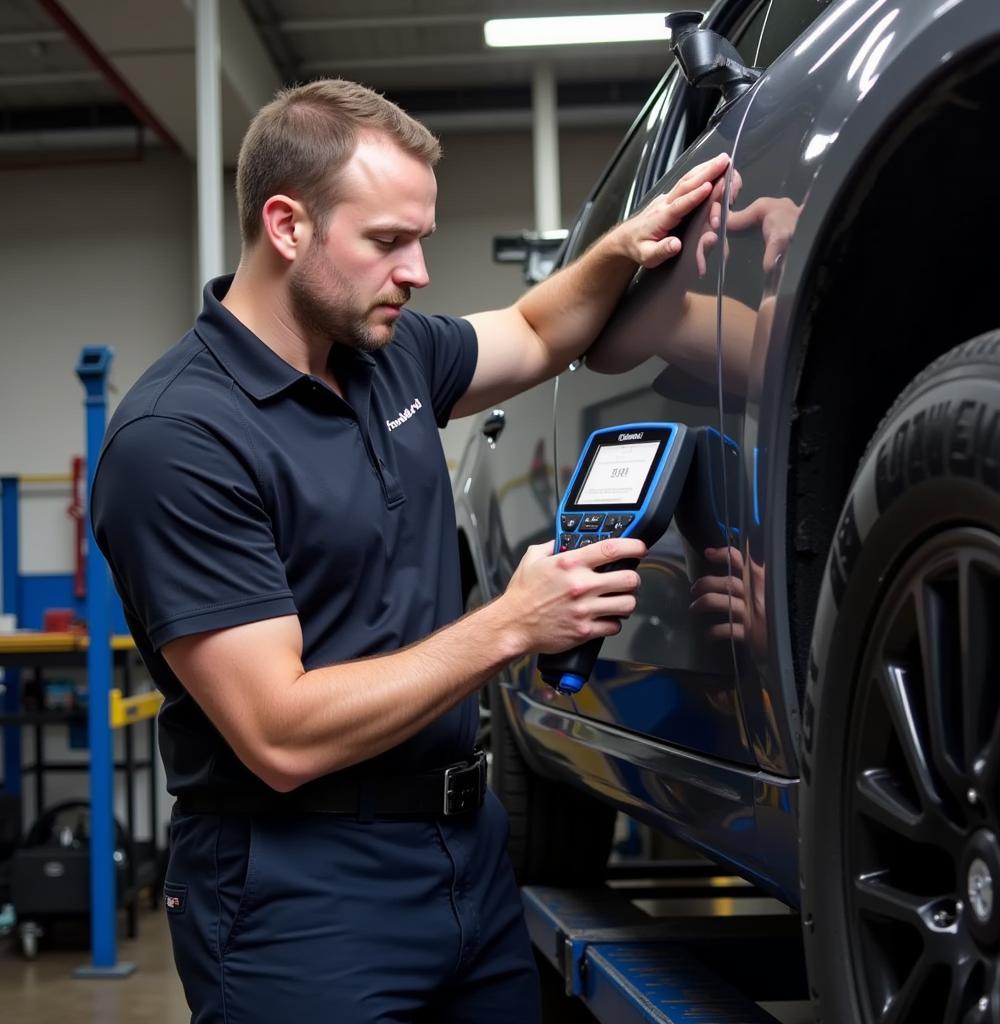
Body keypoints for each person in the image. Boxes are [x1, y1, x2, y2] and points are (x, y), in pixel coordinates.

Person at [92, 79, 728, 1023]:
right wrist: (510, 625)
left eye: (421, 237)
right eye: (388, 241)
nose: (419, 269)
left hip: (466, 859)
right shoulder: (181, 438)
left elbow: (535, 328)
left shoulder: (387, 356)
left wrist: (620, 252)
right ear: (287, 225)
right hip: (298, 893)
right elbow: (278, 733)